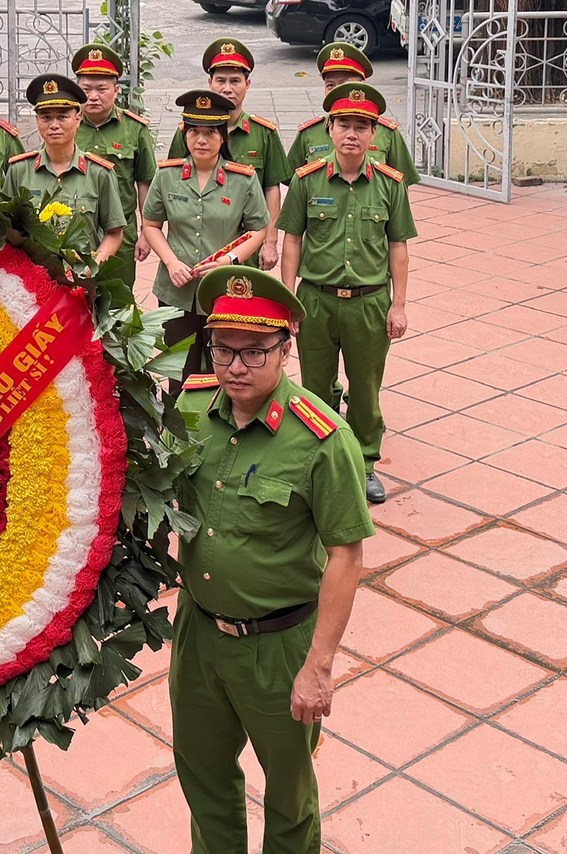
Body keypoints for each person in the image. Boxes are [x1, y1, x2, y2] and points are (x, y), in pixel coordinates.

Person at [155, 265, 372, 854]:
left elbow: (346, 553)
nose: (236, 365)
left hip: (281, 645)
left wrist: (321, 663)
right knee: (204, 771)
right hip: (200, 635)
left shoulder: (321, 436)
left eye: (254, 350)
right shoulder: (190, 414)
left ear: (287, 348)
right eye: (222, 348)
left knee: (288, 785)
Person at [278, 82, 415, 506]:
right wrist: (288, 301)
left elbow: (398, 247)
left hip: (370, 302)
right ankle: (317, 461)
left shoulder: (390, 185)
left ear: (375, 134)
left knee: (366, 388)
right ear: (330, 129)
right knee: (316, 386)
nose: (352, 134)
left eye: (361, 126)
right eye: (344, 125)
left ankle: (365, 461)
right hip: (316, 300)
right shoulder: (306, 180)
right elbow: (293, 241)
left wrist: (399, 305)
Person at [143, 90, 269, 381]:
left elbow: (258, 229)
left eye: (210, 133)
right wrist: (171, 262)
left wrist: (230, 259)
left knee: (225, 372)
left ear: (223, 136)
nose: (201, 140)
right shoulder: (166, 176)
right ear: (185, 134)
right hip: (176, 291)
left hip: (224, 290)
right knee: (177, 374)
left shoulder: (242, 180)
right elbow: (150, 225)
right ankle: (175, 427)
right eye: (194, 131)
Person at [164, 39, 289, 266]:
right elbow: (173, 183)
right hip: (197, 242)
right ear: (210, 82)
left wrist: (270, 240)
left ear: (248, 84)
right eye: (220, 81)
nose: (227, 88)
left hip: (246, 243)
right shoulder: (187, 133)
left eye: (235, 81)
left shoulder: (264, 133)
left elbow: (272, 187)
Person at [6, 73, 127, 277]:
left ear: (78, 118)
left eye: (62, 117)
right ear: (37, 120)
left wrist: (92, 267)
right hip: (32, 280)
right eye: (46, 117)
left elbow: (114, 232)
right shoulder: (19, 171)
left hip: (82, 282)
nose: (54, 125)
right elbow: (7, 229)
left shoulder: (99, 173)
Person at [70, 42, 156, 284]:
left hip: (121, 228)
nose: (93, 96)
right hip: (76, 228)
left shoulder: (135, 129)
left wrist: (146, 233)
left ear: (116, 91)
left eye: (102, 89)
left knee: (118, 300)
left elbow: (145, 183)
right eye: (86, 89)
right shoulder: (67, 126)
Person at [286, 41, 418, 185]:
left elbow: (401, 186)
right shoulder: (309, 133)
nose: (336, 91)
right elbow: (292, 183)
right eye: (330, 85)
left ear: (361, 86)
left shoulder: (387, 133)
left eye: (344, 84)